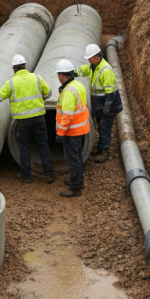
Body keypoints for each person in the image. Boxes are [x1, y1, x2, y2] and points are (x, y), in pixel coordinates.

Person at [0, 54, 55, 184]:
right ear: (25, 66)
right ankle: (49, 175)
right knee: (43, 146)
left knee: (24, 147)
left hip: (23, 121)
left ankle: (26, 176)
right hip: (39, 118)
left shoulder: (11, 83)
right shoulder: (36, 77)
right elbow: (48, 92)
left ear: (14, 68)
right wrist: (39, 100)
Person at [75, 43, 121, 163]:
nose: (89, 61)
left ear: (96, 57)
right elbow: (83, 70)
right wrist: (71, 73)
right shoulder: (93, 67)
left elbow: (110, 93)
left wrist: (107, 107)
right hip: (99, 102)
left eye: (90, 58)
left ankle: (104, 151)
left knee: (104, 127)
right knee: (101, 125)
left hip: (107, 103)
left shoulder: (105, 70)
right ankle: (100, 148)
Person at [54, 58, 90, 197]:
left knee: (72, 159)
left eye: (58, 75)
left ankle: (75, 188)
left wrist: (60, 133)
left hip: (72, 131)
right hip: (80, 128)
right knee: (77, 157)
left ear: (61, 75)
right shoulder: (78, 85)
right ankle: (78, 182)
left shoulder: (68, 92)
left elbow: (67, 116)